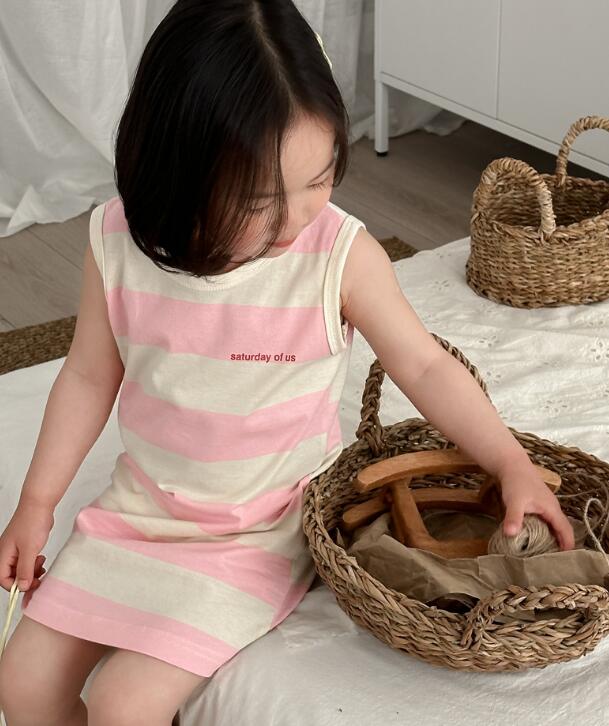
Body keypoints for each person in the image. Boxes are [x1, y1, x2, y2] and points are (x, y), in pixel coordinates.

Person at [0, 0, 575, 724]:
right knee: (20, 684)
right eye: (260, 200)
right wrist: (36, 504)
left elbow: (425, 367)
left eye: (319, 180)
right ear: (176, 166)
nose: (297, 218)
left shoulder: (338, 255)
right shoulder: (116, 242)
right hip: (139, 515)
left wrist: (510, 462)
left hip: (258, 531)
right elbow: (89, 376)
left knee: (122, 705)